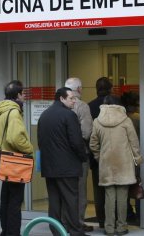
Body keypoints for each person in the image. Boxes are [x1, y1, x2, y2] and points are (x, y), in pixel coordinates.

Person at [89, 95, 143, 236]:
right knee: (122, 197)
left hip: (106, 164)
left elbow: (93, 144)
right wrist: (137, 159)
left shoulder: (97, 121)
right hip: (124, 164)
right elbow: (134, 143)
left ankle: (109, 228)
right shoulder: (126, 120)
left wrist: (99, 157)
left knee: (109, 197)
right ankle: (121, 227)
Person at [38, 87, 88, 236]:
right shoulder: (69, 115)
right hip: (67, 167)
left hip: (49, 167)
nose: (74, 101)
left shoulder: (44, 115)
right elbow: (76, 142)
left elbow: (41, 142)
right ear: (61, 98)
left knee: (54, 201)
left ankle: (57, 231)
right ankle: (75, 232)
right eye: (71, 98)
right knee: (71, 200)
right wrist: (83, 157)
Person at [0, 80, 33, 236]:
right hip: (15, 163)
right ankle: (13, 233)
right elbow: (15, 138)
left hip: (3, 161)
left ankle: (5, 232)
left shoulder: (2, 110)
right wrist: (29, 148)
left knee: (6, 200)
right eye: (23, 93)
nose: (24, 96)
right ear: (18, 95)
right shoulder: (14, 112)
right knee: (15, 203)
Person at [65, 78, 93, 232]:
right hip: (79, 154)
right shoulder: (82, 106)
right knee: (80, 190)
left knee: (65, 189)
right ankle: (78, 222)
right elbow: (87, 132)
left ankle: (64, 222)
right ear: (80, 90)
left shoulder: (59, 105)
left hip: (63, 155)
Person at [88, 77, 112, 228]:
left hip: (95, 154)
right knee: (113, 188)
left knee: (98, 189)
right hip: (114, 153)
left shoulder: (89, 106)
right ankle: (113, 220)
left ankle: (102, 220)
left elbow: (88, 133)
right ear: (110, 88)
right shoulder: (116, 104)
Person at [121, 91, 141, 223]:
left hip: (123, 157)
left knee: (124, 187)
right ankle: (141, 213)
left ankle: (127, 213)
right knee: (138, 185)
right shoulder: (138, 118)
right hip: (135, 156)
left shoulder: (121, 118)